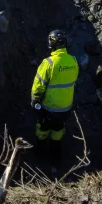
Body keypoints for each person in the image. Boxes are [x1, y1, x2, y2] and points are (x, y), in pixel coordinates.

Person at [31, 29, 79, 159]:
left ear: (52, 44)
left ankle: (40, 157)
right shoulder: (73, 60)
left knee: (42, 130)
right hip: (65, 109)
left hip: (48, 108)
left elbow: (38, 86)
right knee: (58, 131)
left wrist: (34, 99)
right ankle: (55, 159)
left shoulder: (49, 63)